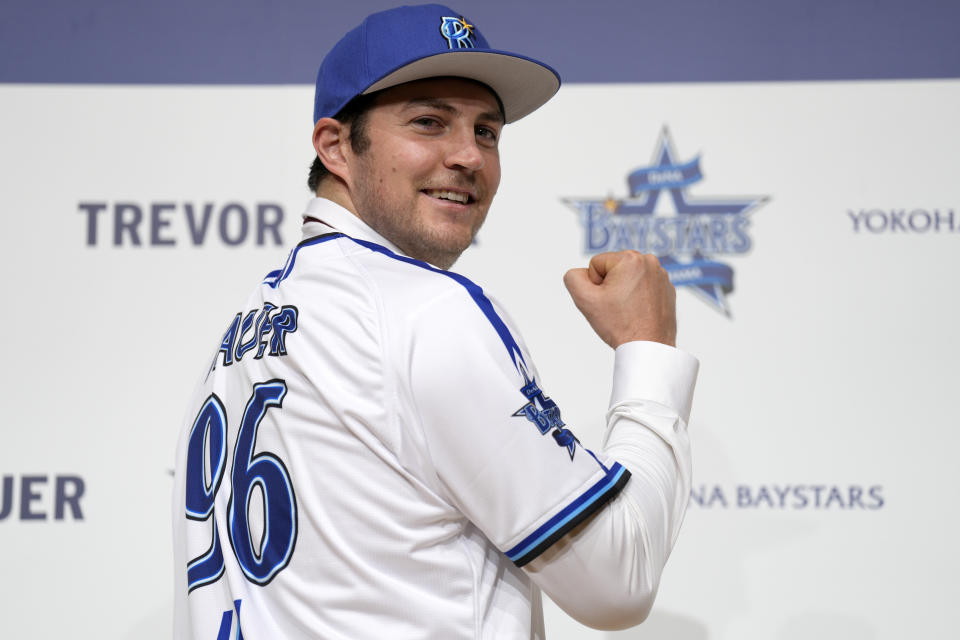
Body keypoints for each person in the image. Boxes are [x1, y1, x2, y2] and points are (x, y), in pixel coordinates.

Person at [172, 4, 698, 639]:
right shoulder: (423, 310)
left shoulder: (243, 333)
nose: (469, 157)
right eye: (429, 122)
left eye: (487, 132)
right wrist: (648, 350)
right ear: (336, 146)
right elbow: (617, 581)